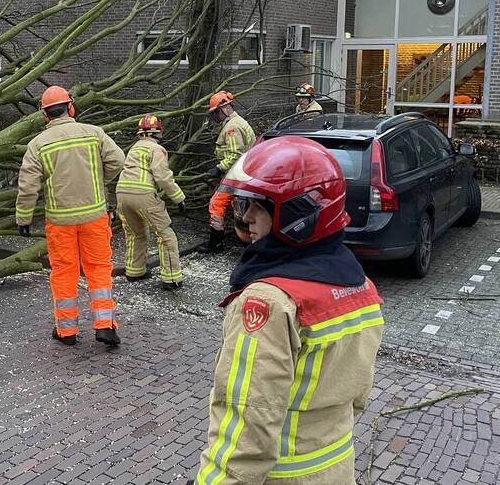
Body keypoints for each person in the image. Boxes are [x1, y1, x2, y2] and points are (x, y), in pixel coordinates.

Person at [195, 136, 384, 484]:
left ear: (299, 213)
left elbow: (248, 421)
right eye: (245, 204)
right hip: (337, 469)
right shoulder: (361, 287)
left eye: (259, 206)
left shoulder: (268, 302)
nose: (247, 217)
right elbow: (357, 396)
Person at [15, 85, 126, 347]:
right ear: (70, 107)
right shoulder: (93, 134)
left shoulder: (38, 144)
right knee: (99, 270)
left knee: (64, 272)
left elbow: (28, 185)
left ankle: (66, 331)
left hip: (59, 220)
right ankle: (105, 325)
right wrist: (98, 182)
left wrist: (23, 218)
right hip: (95, 215)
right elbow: (118, 160)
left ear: (45, 115)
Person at [115, 114, 187, 290]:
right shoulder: (157, 150)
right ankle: (171, 278)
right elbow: (162, 177)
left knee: (135, 233)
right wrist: (179, 197)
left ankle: (134, 272)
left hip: (121, 193)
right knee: (165, 234)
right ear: (158, 132)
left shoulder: (133, 149)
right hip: (143, 194)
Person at [198, 90, 256, 254]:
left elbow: (235, 154)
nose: (215, 116)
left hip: (235, 175)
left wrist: (219, 168)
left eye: (216, 112)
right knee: (240, 208)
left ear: (226, 109)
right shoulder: (235, 123)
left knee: (216, 204)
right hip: (242, 175)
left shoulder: (232, 127)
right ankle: (248, 243)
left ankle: (216, 243)